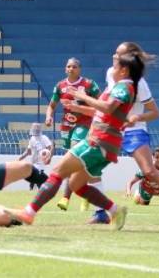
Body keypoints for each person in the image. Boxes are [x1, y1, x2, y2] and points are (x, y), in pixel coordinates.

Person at [13, 53, 147, 230]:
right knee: (77, 185)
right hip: (106, 144)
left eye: (115, 67)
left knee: (57, 172)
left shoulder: (123, 87)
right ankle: (115, 211)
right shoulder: (120, 87)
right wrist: (79, 107)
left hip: (98, 141)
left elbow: (107, 107)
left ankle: (28, 213)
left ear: (124, 71)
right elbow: (103, 112)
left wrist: (83, 97)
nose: (111, 70)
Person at [88, 42, 159, 225]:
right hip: (111, 127)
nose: (114, 56)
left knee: (149, 171)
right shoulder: (110, 73)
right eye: (114, 53)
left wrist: (137, 116)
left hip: (134, 130)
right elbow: (107, 99)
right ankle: (101, 213)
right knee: (91, 166)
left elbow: (155, 112)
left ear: (128, 59)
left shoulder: (139, 83)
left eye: (118, 54)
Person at [44, 58, 101, 211]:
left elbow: (101, 103)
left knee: (73, 157)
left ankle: (65, 198)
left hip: (84, 125)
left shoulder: (89, 85)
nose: (71, 69)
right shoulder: (60, 86)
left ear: (80, 69)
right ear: (65, 69)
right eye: (68, 66)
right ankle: (86, 193)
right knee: (78, 163)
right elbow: (52, 105)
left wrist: (83, 106)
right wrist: (48, 116)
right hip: (66, 125)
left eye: (74, 66)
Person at [18, 123, 54, 189]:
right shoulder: (32, 138)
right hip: (33, 162)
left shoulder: (44, 138)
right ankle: (34, 190)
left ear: (40, 129)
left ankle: (41, 190)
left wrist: (49, 157)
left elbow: (51, 147)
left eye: (37, 128)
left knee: (37, 178)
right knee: (34, 179)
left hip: (41, 162)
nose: (36, 129)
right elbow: (28, 151)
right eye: (35, 127)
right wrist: (21, 157)